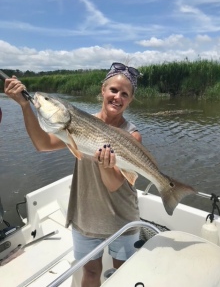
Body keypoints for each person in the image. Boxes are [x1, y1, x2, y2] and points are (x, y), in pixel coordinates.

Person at [4, 62, 142, 287]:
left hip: (122, 217)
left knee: (123, 273)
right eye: (113, 90)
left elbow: (115, 184)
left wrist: (104, 165)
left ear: (130, 99)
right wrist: (24, 106)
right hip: (86, 216)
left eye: (124, 94)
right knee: (89, 272)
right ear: (103, 90)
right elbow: (42, 144)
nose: (117, 97)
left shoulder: (132, 135)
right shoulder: (76, 123)